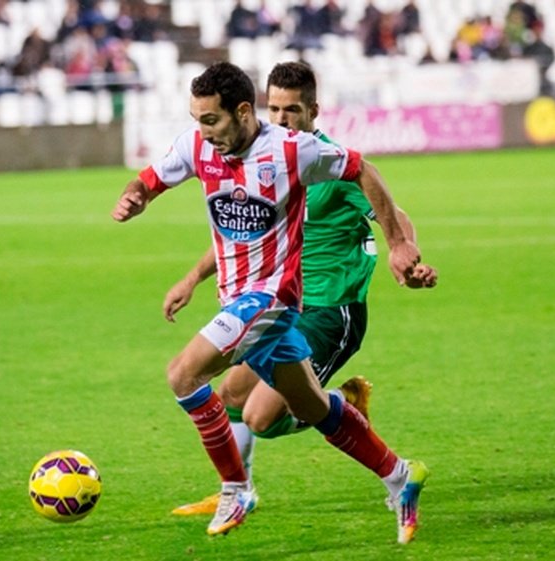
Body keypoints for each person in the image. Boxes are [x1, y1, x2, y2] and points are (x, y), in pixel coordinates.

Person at [111, 61, 428, 542]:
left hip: (276, 299)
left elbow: (363, 169)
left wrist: (401, 247)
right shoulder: (198, 145)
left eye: (211, 119)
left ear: (241, 112)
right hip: (237, 298)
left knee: (183, 373)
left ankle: (235, 489)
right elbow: (152, 179)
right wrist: (136, 197)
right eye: (197, 119)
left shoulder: (293, 152)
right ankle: (400, 475)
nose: (204, 131)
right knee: (312, 409)